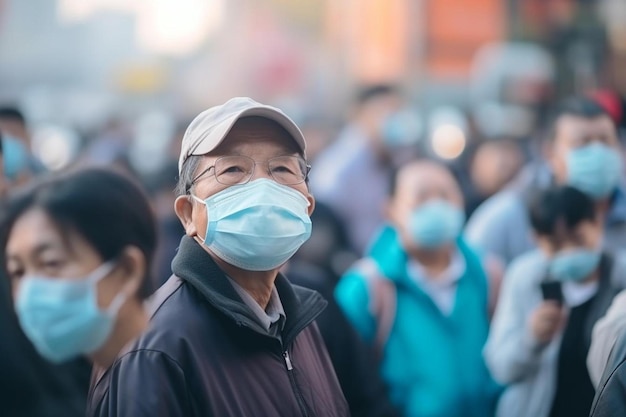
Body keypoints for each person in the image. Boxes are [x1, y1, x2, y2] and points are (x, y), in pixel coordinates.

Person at [88, 97, 349, 417]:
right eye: (233, 169)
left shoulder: (298, 323)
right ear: (188, 214)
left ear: (307, 206)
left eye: (281, 168)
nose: (263, 187)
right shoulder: (155, 348)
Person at [335, 159, 501, 417]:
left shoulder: (489, 275)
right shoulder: (365, 289)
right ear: (390, 211)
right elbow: (344, 385)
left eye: (446, 195)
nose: (436, 206)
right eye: (422, 197)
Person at [0, 167, 157, 415]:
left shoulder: (166, 373)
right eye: (18, 272)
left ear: (126, 270)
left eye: (51, 263)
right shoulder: (97, 371)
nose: (30, 291)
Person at [484, 186, 626, 417]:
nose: (569, 252)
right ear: (536, 240)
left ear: (598, 224)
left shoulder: (620, 278)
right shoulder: (524, 278)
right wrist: (531, 340)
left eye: (578, 239)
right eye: (556, 245)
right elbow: (499, 367)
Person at [465, 97, 626, 266]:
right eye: (582, 143)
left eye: (606, 141)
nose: (597, 152)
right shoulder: (508, 216)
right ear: (550, 153)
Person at [310, 84, 416, 255]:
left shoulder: (400, 156)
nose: (394, 118)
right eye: (385, 111)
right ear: (360, 114)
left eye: (398, 111)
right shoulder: (338, 166)